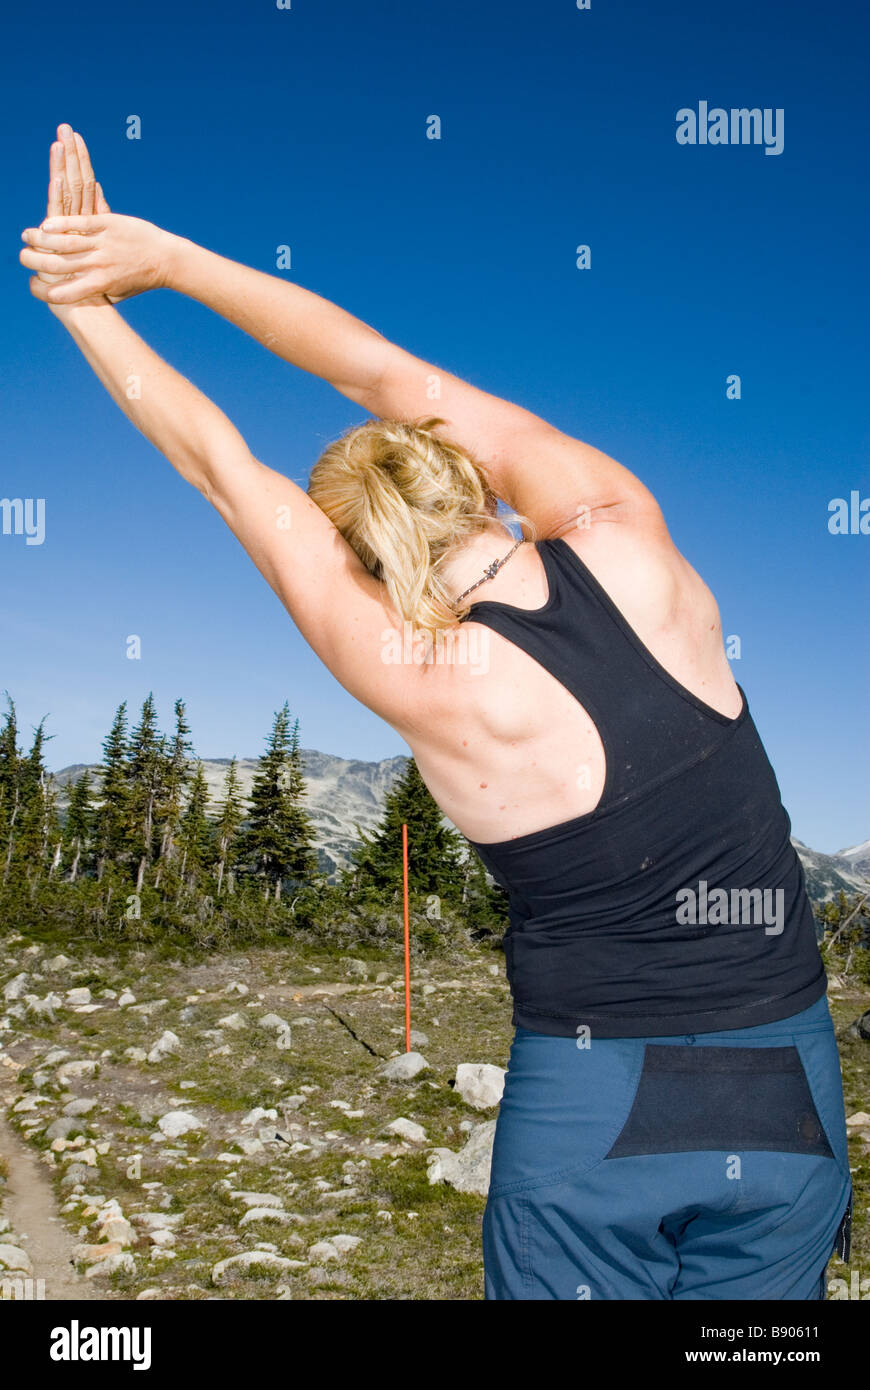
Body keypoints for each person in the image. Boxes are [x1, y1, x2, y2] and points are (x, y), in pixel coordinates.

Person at [19, 125, 852, 1301]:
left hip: (595, 1092)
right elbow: (374, 369)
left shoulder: (427, 674)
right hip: (789, 1080)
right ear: (468, 479)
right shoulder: (624, 528)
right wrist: (166, 257)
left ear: (365, 557)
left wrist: (80, 303)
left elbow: (224, 472)